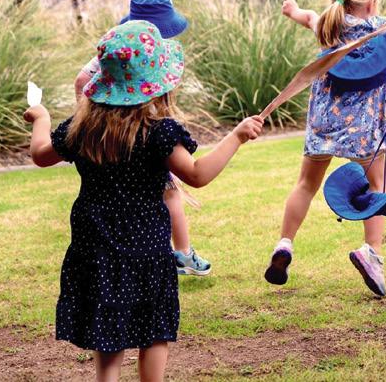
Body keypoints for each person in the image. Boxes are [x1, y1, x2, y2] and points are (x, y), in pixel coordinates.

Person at [26, 20, 263, 381]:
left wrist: (41, 117)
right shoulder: (158, 133)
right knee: (153, 329)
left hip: (95, 246)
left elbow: (40, 154)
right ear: (155, 83)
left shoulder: (83, 127)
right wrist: (237, 136)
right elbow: (197, 175)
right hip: (146, 249)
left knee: (108, 329)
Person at [267, 0, 386, 296]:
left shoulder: (328, 26)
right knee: (376, 185)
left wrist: (292, 10)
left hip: (323, 123)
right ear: (372, 2)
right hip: (363, 127)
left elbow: (307, 16)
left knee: (305, 184)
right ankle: (371, 253)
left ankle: (285, 243)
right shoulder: (382, 28)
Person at [73, 0, 211, 277]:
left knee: (161, 194)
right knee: (170, 193)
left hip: (138, 135)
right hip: (140, 137)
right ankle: (182, 254)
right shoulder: (130, 53)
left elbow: (82, 80)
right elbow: (82, 80)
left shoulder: (119, 47)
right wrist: (89, 119)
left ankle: (179, 253)